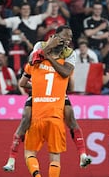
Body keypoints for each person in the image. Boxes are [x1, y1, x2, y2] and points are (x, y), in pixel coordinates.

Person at [3, 26, 92, 172]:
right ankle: (11, 158)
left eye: (70, 38)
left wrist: (48, 56)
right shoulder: (40, 45)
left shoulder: (70, 53)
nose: (68, 41)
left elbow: (66, 73)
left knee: (70, 117)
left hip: (57, 91)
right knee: (25, 118)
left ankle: (82, 154)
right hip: (41, 91)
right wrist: (39, 86)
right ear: (55, 35)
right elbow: (32, 61)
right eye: (65, 37)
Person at [21, 34, 71, 177]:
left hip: (37, 115)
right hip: (55, 116)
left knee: (29, 152)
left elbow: (22, 83)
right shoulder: (64, 66)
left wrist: (37, 86)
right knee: (55, 156)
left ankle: (36, 175)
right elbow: (71, 86)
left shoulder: (35, 64)